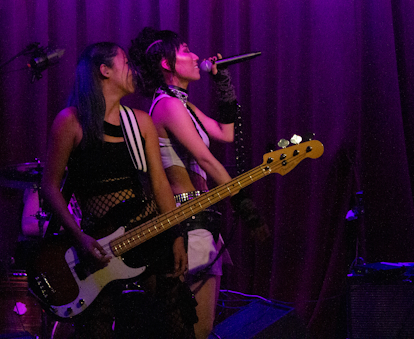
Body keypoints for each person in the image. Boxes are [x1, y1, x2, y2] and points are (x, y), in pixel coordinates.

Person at [40, 42, 196, 339]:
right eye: (124, 61)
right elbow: (50, 186)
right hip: (99, 242)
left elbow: (159, 184)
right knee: (99, 325)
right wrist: (79, 236)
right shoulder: (70, 122)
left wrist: (176, 235)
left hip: (147, 233)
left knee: (173, 321)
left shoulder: (140, 122)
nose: (132, 68)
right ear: (104, 70)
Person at [129, 28, 268, 339]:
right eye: (185, 51)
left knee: (198, 328)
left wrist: (223, 83)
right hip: (185, 220)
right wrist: (245, 206)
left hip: (201, 218)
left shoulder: (185, 106)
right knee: (194, 329)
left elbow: (226, 133)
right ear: (166, 64)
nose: (195, 56)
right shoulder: (166, 105)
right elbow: (206, 160)